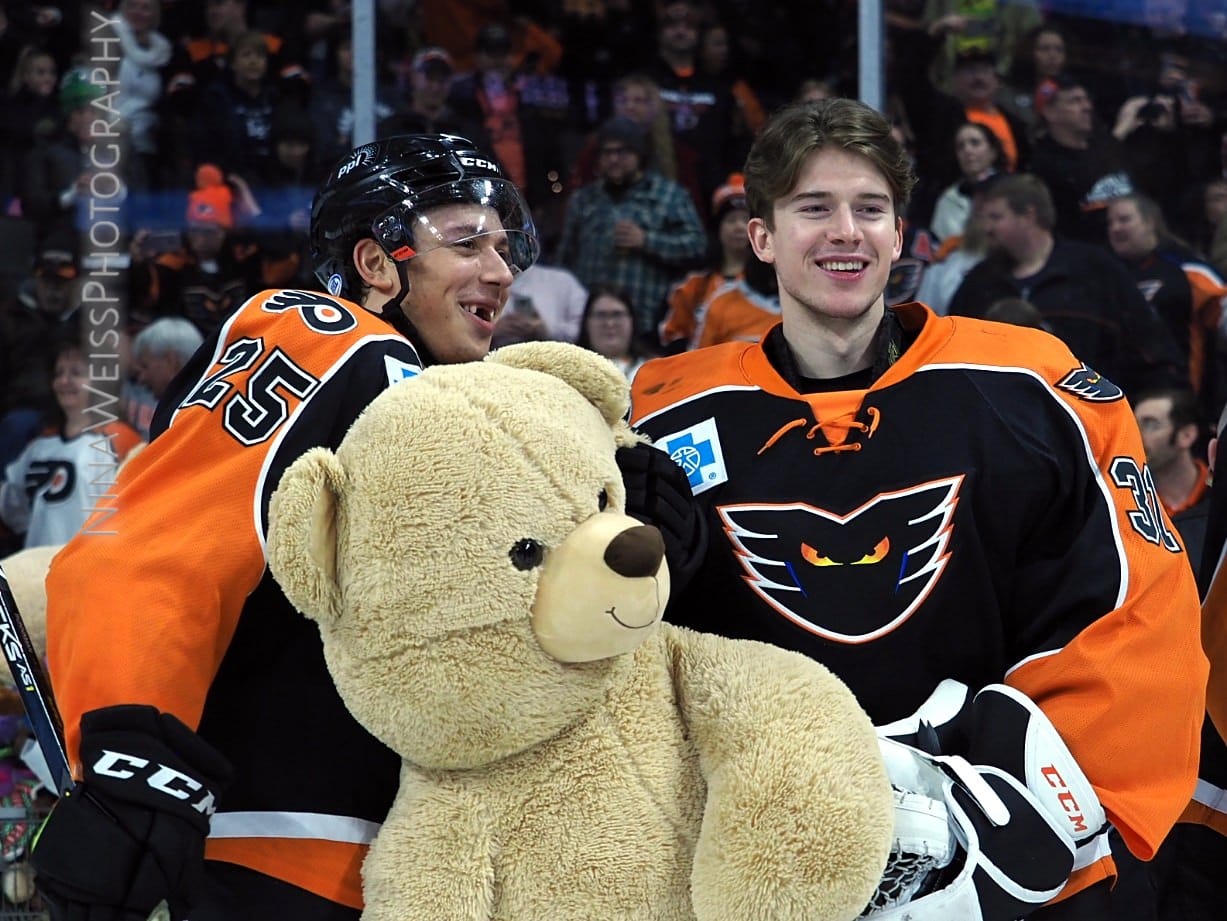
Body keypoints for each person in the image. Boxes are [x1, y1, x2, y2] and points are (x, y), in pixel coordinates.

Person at [628, 97, 1206, 920]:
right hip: (760, 858)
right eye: (812, 208)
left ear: (900, 235)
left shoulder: (1031, 387)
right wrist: (643, 583)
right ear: (761, 237)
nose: (844, 232)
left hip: (994, 850)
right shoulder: (661, 411)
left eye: (870, 209)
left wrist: (1036, 816)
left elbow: (1130, 612)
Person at [29, 134, 542, 920]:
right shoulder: (328, 338)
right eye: (467, 242)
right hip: (280, 853)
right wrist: (130, 755)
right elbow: (148, 553)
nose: (501, 271)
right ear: (376, 264)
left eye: (504, 248)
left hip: (403, 860)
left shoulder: (445, 398)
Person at [948, 172, 1185, 399]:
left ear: (1028, 216)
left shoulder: (1094, 269)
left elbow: (1149, 344)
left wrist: (1159, 398)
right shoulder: (979, 281)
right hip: (1001, 421)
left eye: (996, 217)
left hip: (1088, 416)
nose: (987, 228)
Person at [555, 115, 706, 337]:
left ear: (639, 155)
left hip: (646, 320)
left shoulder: (668, 195)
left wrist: (647, 240)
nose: (614, 159)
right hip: (588, 321)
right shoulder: (584, 198)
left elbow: (697, 246)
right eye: (607, 153)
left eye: (623, 152)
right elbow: (564, 258)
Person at [0, 339, 143, 548]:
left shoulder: (123, 441)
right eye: (59, 373)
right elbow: (12, 505)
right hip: (35, 570)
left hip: (95, 570)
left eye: (76, 373)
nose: (64, 381)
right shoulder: (39, 446)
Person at [1106, 192, 1227, 420]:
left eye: (1124, 219)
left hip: (1184, 401)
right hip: (1124, 401)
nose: (1115, 228)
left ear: (1150, 222)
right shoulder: (1106, 275)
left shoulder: (1188, 269)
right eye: (1110, 223)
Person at [659, 172, 750, 351]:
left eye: (745, 220)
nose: (739, 226)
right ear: (718, 229)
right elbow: (673, 335)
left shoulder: (776, 284)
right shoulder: (694, 285)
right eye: (731, 220)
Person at [1133, 387, 1211, 565]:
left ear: (1186, 435)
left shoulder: (1217, 495)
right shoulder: (1132, 498)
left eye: (1150, 425)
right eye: (1134, 425)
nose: (1138, 435)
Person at [927, 121, 1006, 243]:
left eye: (975, 143)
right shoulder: (949, 199)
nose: (967, 150)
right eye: (960, 146)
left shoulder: (1012, 189)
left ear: (993, 151)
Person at [575, 285, 648, 380]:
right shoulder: (569, 370)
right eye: (601, 315)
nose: (609, 323)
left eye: (617, 315)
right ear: (586, 322)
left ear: (632, 320)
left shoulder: (652, 371)